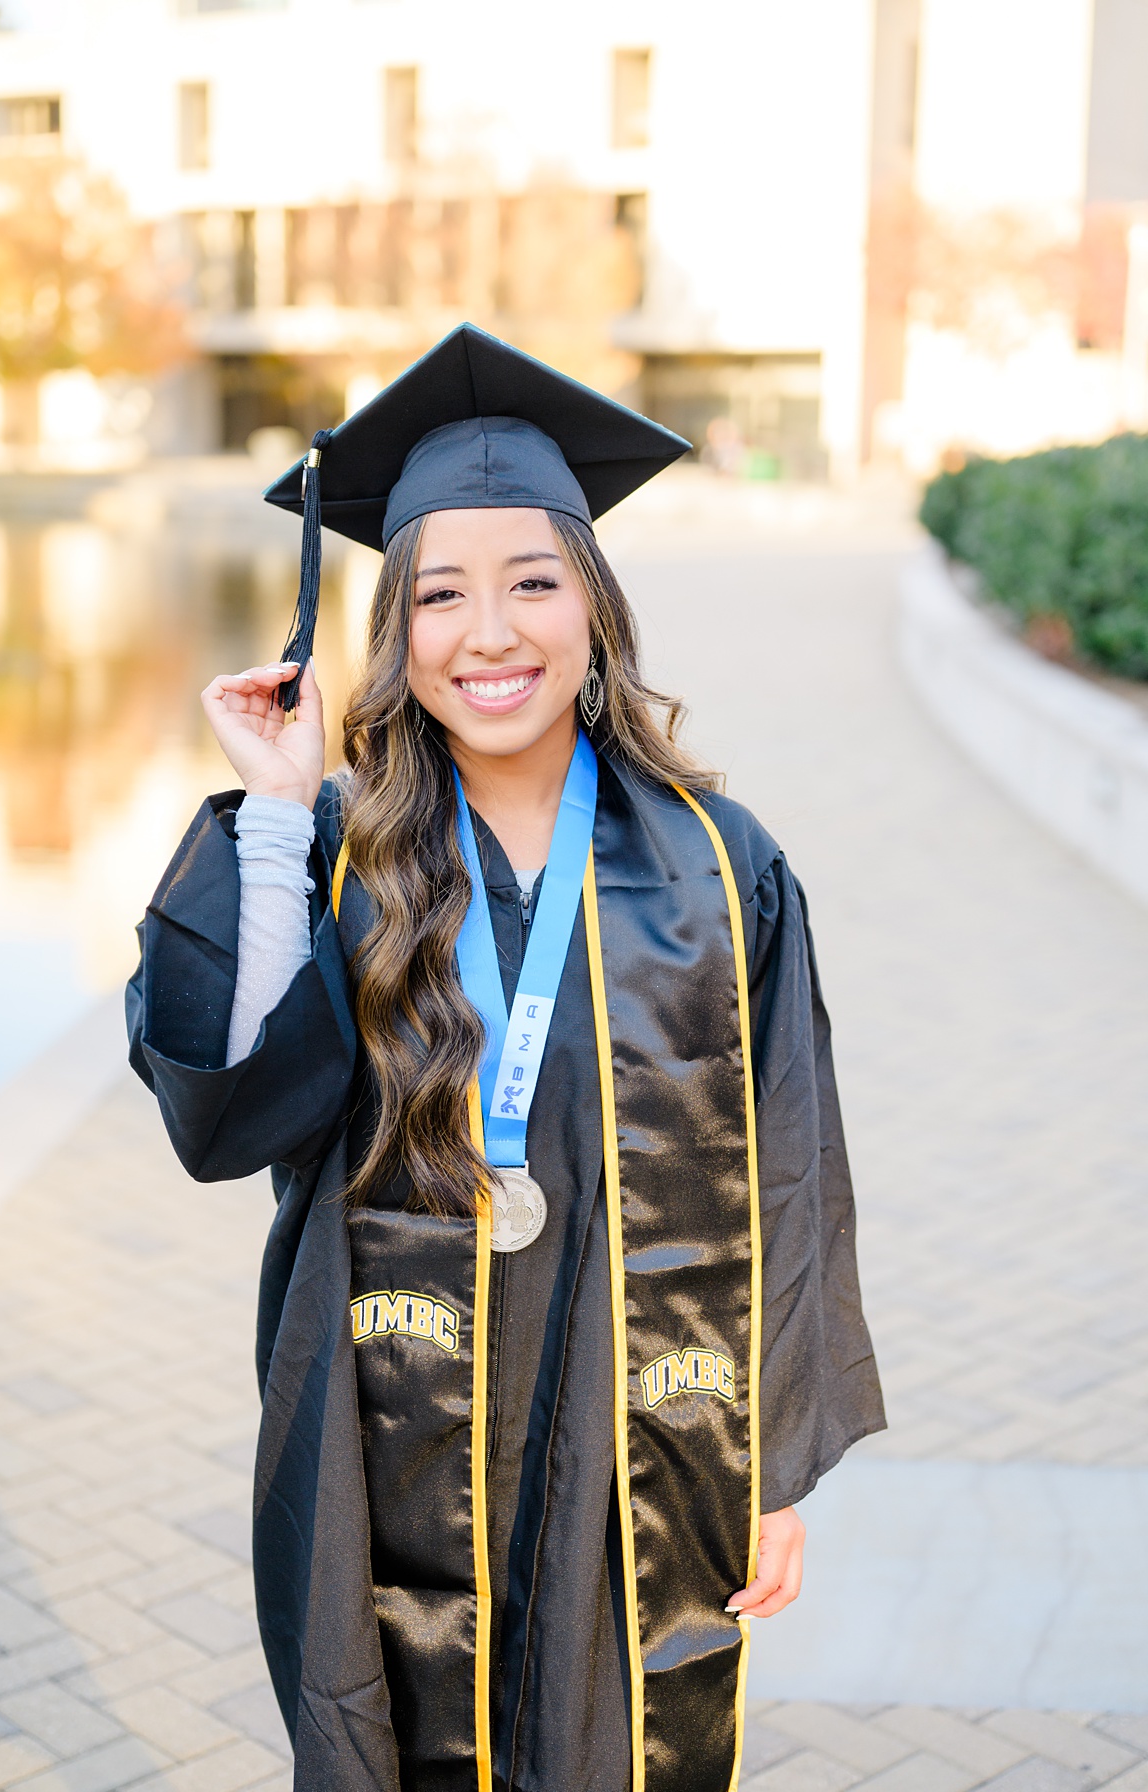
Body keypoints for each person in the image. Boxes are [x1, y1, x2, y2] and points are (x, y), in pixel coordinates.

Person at [127, 326, 884, 1788]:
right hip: (377, 1422)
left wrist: (774, 1463)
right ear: (394, 629)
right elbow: (225, 1113)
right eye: (442, 595)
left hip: (631, 1415)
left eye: (534, 583)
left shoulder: (726, 872)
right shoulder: (338, 854)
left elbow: (795, 1167)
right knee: (390, 1736)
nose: (492, 635)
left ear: (595, 609)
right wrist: (278, 808)